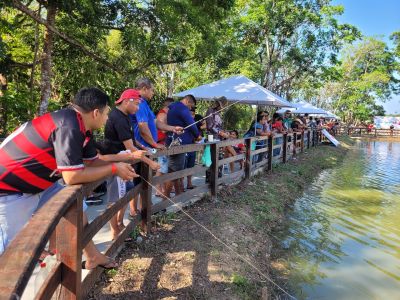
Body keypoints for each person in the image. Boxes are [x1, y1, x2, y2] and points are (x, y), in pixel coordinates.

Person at [0, 87, 138, 269]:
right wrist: (114, 168)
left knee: (76, 207)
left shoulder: (82, 128)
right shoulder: (68, 125)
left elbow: (91, 162)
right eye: (106, 114)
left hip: (39, 184)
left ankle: (92, 256)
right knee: (10, 251)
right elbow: (72, 176)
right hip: (10, 189)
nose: (106, 119)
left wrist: (118, 168)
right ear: (96, 113)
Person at [100, 89, 159, 241]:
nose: (138, 108)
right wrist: (150, 162)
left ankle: (119, 223)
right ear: (127, 101)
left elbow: (132, 140)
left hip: (125, 161)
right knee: (114, 198)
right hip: (116, 160)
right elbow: (131, 148)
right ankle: (114, 230)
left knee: (126, 193)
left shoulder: (126, 116)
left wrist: (145, 148)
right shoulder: (117, 117)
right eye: (137, 104)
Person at [128, 78, 182, 217]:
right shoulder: (138, 102)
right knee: (137, 179)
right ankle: (135, 211)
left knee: (146, 178)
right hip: (140, 148)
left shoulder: (145, 103)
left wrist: (172, 128)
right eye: (152, 90)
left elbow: (155, 123)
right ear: (145, 88)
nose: (153, 93)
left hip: (148, 148)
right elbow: (142, 127)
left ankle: (145, 206)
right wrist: (154, 144)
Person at [165, 95, 200, 198]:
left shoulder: (173, 107)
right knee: (174, 172)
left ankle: (178, 195)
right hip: (179, 142)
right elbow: (192, 124)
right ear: (187, 101)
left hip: (172, 140)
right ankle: (165, 199)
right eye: (190, 106)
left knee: (176, 170)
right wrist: (197, 135)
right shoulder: (182, 108)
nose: (190, 109)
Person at [155, 97, 174, 197]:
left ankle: (163, 188)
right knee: (161, 167)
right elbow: (162, 130)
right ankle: (158, 189)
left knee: (164, 167)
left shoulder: (166, 114)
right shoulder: (162, 114)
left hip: (165, 143)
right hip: (161, 143)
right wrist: (172, 127)